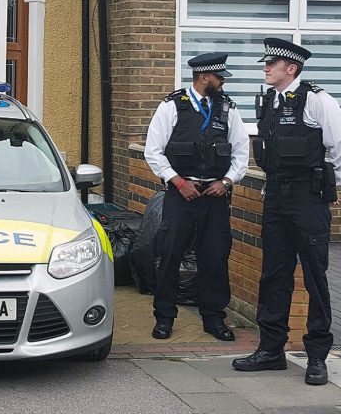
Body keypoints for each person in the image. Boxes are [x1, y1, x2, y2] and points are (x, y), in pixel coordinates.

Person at [233, 38, 341, 386]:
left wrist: (328, 186)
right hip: (276, 199)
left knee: (314, 278)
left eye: (272, 64)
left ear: (290, 68)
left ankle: (317, 356)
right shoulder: (268, 101)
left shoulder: (317, 100)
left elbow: (338, 147)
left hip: (308, 201)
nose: (265, 68)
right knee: (273, 276)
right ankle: (271, 349)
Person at [145, 52, 249, 341]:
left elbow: (241, 153)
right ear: (205, 78)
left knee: (215, 257)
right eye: (219, 78)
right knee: (170, 255)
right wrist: (177, 181)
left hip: (215, 196)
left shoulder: (228, 109)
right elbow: (153, 151)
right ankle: (164, 317)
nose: (222, 83)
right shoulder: (171, 106)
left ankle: (214, 318)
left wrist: (227, 181)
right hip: (181, 194)